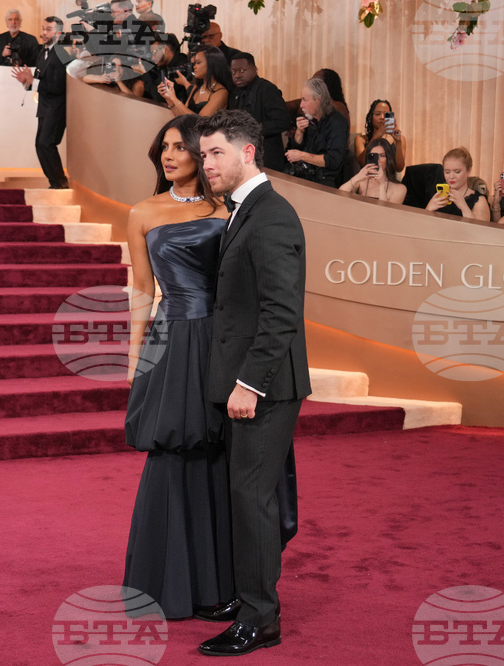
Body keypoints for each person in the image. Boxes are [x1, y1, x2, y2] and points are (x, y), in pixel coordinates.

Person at [197, 109, 310, 657]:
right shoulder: (247, 211)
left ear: (247, 152)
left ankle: (262, 619)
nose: (206, 164)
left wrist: (250, 384)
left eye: (215, 153)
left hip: (264, 386)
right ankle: (247, 597)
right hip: (244, 381)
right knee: (242, 495)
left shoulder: (272, 216)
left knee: (253, 497)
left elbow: (281, 313)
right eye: (202, 155)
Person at [123, 115, 234, 621]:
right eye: (162, 147)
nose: (168, 156)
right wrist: (134, 358)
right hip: (171, 337)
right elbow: (143, 290)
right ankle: (164, 583)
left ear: (200, 152)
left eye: (178, 147)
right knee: (171, 448)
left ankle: (220, 585)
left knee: (218, 452)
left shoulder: (226, 209)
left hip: (217, 337)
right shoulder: (143, 211)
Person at [12, 17, 70, 189]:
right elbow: (39, 81)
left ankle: (60, 182)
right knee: (40, 145)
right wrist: (27, 82)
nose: (44, 33)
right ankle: (56, 182)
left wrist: (33, 81)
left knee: (46, 144)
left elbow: (58, 86)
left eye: (49, 29)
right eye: (43, 28)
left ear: (58, 33)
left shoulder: (62, 54)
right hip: (45, 106)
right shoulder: (42, 52)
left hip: (57, 108)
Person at [228, 52, 293, 171]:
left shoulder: (267, 89)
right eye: (233, 72)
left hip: (266, 156)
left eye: (242, 70)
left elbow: (283, 121)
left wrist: (252, 130)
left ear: (254, 69)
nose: (237, 75)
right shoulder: (235, 93)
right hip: (243, 155)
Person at [284, 77, 349, 187]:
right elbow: (292, 150)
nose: (301, 105)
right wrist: (299, 132)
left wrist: (301, 156)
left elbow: (333, 160)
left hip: (325, 180)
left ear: (318, 99)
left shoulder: (337, 122)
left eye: (305, 100)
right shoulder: (308, 119)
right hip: (304, 175)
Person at [158, 46, 231, 117]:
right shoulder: (197, 87)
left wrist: (174, 98)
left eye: (198, 63)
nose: (194, 67)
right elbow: (182, 117)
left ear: (211, 64)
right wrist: (169, 99)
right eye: (194, 63)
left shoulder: (221, 92)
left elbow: (200, 120)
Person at [425, 147, 490, 221]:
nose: (451, 177)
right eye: (447, 172)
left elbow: (481, 231)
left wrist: (463, 207)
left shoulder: (479, 201)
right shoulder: (439, 196)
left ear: (468, 170)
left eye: (457, 172)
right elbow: (424, 226)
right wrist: (429, 209)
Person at [339, 138, 406, 203]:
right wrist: (358, 176)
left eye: (382, 155)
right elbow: (341, 193)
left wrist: (382, 184)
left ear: (388, 158)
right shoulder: (361, 182)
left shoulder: (399, 188)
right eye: (373, 156)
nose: (378, 160)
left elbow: (386, 211)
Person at [355, 99, 407, 172]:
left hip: (389, 181)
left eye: (386, 114)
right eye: (377, 114)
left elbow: (399, 168)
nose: (382, 117)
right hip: (368, 180)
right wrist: (376, 136)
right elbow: (362, 162)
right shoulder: (360, 139)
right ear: (370, 117)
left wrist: (398, 142)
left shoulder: (399, 139)